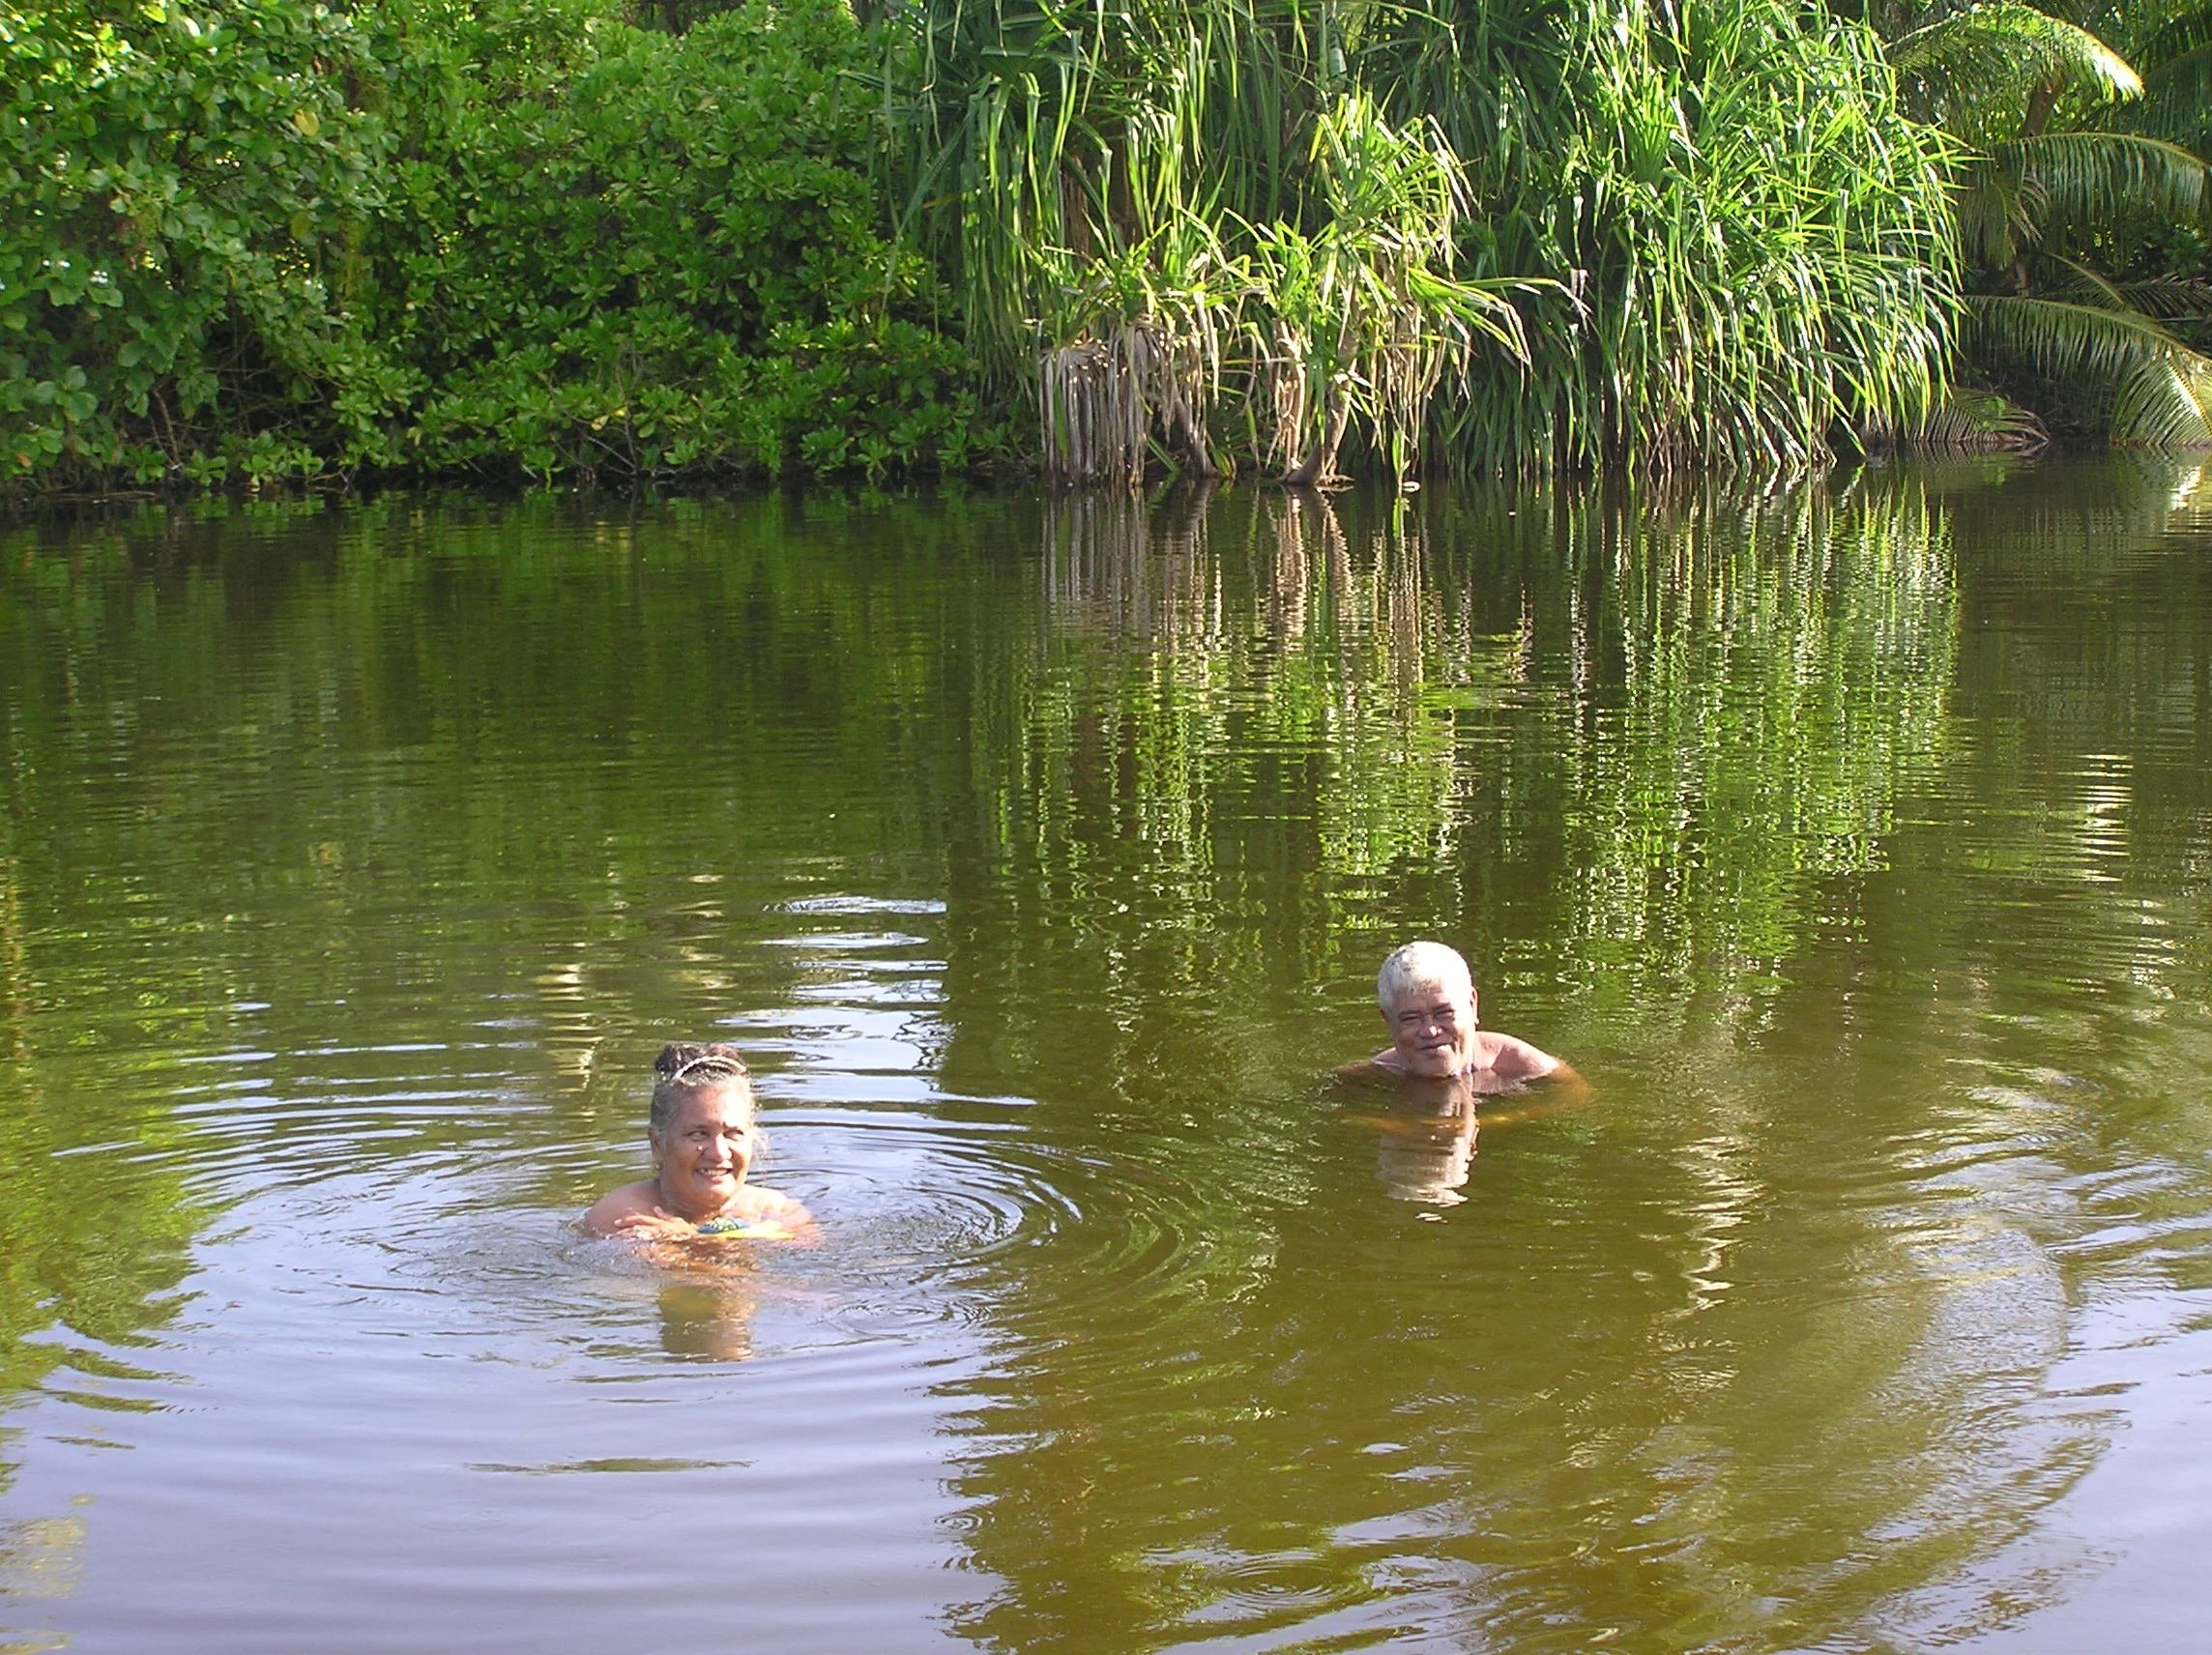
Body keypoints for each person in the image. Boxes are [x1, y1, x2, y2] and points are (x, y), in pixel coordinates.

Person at [583, 1042, 814, 1241]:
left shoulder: (776, 1210)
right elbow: (701, 1286)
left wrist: (691, 1238)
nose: (719, 1153)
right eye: (698, 1134)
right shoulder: (624, 1217)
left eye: (733, 1133)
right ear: (657, 1144)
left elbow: (819, 1283)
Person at [1343, 941, 1580, 1087]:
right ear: (1388, 1021)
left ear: (1472, 1005)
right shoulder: (1378, 1073)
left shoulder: (1527, 1066)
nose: (1430, 1031)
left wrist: (1500, 1121)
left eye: (1444, 1012)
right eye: (1410, 1018)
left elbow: (1575, 1099)